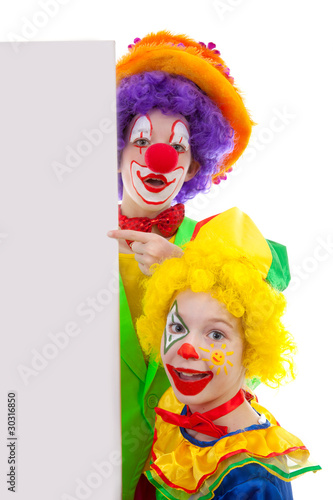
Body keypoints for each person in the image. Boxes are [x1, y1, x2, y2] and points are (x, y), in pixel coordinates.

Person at [108, 32, 289, 498]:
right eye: (141, 139)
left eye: (179, 147)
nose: (159, 157)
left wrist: (186, 269)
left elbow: (268, 295)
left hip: (188, 470)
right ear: (118, 149)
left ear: (192, 167)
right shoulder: (65, 242)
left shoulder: (220, 240)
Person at [136, 209, 321, 499]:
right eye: (177, 326)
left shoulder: (255, 477)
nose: (187, 348)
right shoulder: (174, 408)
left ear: (252, 347)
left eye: (216, 335)